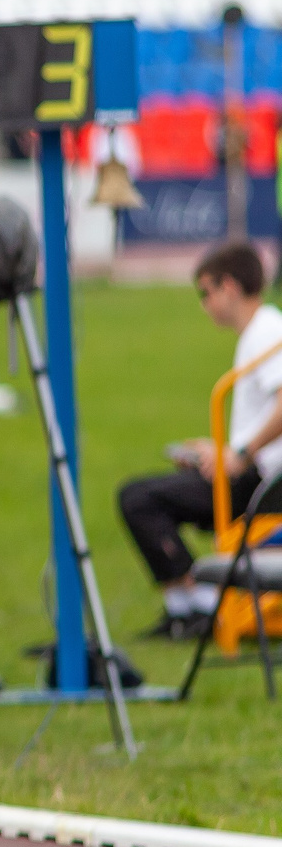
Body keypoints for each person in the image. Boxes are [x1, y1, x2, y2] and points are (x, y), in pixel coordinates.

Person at [117, 241, 282, 639]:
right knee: (146, 496)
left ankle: (201, 607)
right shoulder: (262, 330)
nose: (204, 304)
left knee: (139, 499)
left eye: (204, 292)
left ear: (229, 286)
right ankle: (194, 609)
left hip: (264, 484)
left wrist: (239, 454)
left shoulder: (267, 331)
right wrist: (219, 450)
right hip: (259, 473)